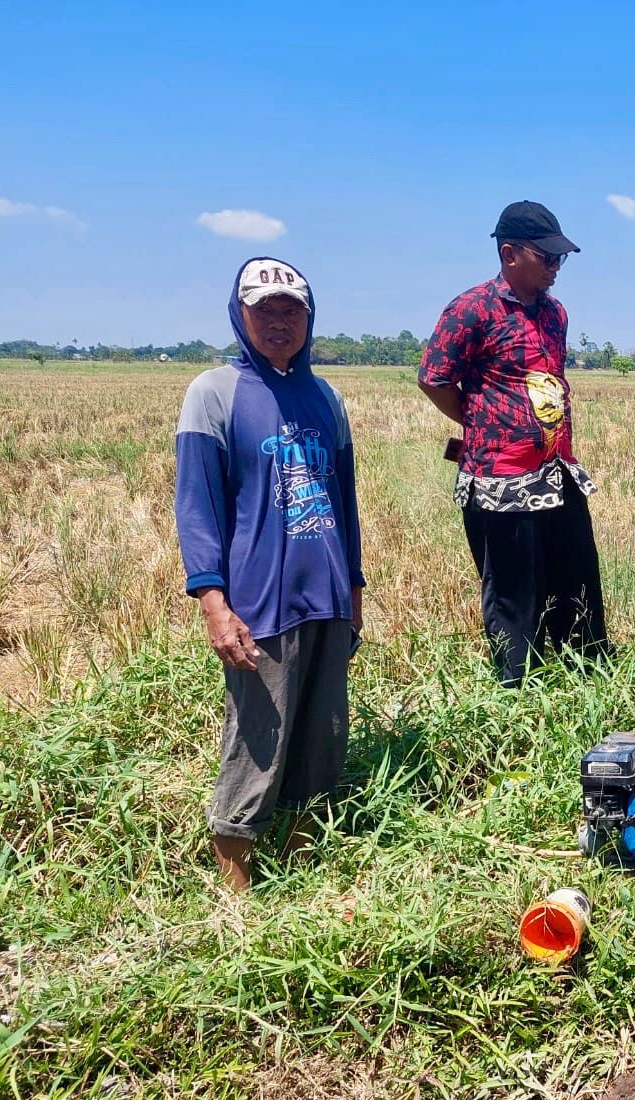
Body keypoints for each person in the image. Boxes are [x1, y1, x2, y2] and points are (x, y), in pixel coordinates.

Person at [174, 258, 365, 891]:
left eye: (291, 310)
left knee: (321, 734)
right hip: (260, 600)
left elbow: (346, 500)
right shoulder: (214, 393)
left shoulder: (325, 396)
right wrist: (213, 601)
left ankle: (305, 865)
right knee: (257, 739)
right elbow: (197, 507)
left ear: (309, 318)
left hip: (328, 594)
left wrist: (354, 588)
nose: (278, 322)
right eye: (264, 310)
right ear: (240, 315)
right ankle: (235, 888)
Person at [418, 201, 607, 686]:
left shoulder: (555, 314)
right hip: (501, 479)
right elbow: (434, 377)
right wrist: (482, 423)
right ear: (509, 254)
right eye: (548, 258)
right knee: (514, 591)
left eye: (561, 259)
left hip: (556, 468)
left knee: (575, 575)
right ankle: (517, 690)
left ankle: (582, 677)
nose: (556, 268)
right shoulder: (472, 310)